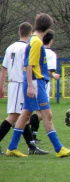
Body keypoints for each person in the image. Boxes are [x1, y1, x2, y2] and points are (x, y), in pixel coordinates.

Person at [5, 13, 70, 157]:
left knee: (25, 115)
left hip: (34, 82)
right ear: (48, 27)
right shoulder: (37, 41)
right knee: (47, 115)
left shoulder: (33, 39)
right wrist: (31, 85)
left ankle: (12, 147)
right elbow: (29, 64)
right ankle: (59, 148)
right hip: (36, 82)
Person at [0, 22, 49, 155]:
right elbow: (29, 65)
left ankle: (31, 147)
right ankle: (26, 147)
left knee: (24, 116)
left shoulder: (10, 47)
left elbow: (3, 69)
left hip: (13, 83)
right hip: (20, 83)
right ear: (30, 32)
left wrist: (1, 86)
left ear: (19, 32)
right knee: (14, 116)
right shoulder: (27, 47)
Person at [30, 29, 60, 144]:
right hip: (42, 84)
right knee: (42, 114)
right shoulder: (51, 54)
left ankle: (32, 135)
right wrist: (55, 76)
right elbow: (47, 72)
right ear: (51, 41)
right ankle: (27, 131)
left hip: (32, 82)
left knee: (36, 112)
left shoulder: (36, 48)